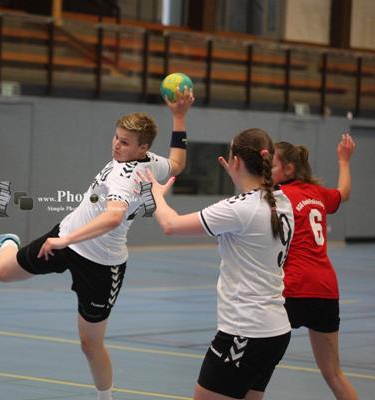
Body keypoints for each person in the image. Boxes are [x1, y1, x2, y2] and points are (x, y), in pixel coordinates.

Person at [0, 90, 194, 400]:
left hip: (100, 265)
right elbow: (177, 163)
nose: (116, 145)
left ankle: (105, 398)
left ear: (143, 148)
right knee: (1, 273)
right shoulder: (150, 161)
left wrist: (65, 240)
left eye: (125, 142)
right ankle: (8, 242)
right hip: (68, 234)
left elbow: (113, 217)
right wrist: (179, 117)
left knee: (90, 344)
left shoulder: (126, 176)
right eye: (116, 138)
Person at [142, 128, 294, 400]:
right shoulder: (282, 202)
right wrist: (240, 176)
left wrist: (155, 194)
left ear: (236, 161)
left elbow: (170, 225)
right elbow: (251, 211)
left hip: (245, 332)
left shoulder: (239, 208)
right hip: (275, 332)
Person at [272, 134, 358, 400]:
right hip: (326, 291)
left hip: (294, 289)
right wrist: (344, 161)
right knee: (334, 373)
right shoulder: (317, 193)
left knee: (258, 367)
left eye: (271, 166)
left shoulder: (279, 196)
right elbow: (343, 193)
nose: (266, 171)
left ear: (289, 169)